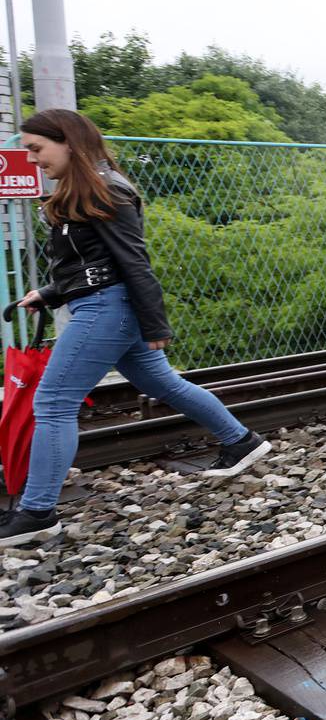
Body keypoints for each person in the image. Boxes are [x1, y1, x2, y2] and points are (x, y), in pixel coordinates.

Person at [1, 111, 273, 548]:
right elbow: (89, 263)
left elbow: (132, 263)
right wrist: (49, 294)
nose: (32, 159)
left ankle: (37, 512)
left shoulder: (108, 189)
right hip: (104, 304)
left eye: (37, 148)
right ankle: (240, 441)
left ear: (68, 141)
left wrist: (154, 324)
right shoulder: (86, 189)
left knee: (53, 401)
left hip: (108, 309)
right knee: (160, 381)